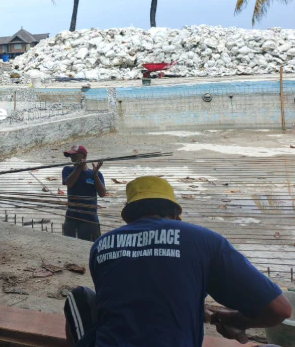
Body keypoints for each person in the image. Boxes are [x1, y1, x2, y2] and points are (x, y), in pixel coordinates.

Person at [64, 176, 291, 347]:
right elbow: (279, 310)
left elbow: (129, 300)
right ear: (174, 213)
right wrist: (240, 320)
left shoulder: (102, 245)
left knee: (78, 298)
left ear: (129, 215)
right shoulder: (203, 240)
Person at [61, 146, 106, 242]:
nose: (72, 158)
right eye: (71, 156)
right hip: (71, 217)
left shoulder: (95, 173)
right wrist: (78, 168)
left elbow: (102, 193)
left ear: (84, 156)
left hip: (90, 219)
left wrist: (95, 176)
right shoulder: (67, 170)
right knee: (69, 246)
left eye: (75, 155)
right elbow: (69, 183)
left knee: (90, 246)